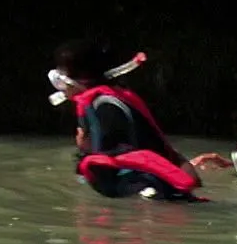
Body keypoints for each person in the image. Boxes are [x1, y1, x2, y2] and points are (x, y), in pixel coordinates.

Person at [47, 40, 204, 201]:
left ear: (74, 81)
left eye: (60, 78)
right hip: (159, 184)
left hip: (143, 191)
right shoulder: (113, 99)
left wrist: (85, 148)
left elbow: (107, 161)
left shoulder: (101, 106)